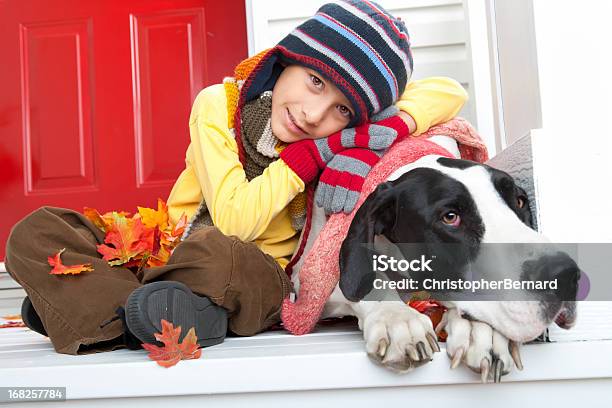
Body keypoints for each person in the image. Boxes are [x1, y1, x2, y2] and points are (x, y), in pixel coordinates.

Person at [5, 0, 468, 355]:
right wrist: (306, 158)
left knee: (221, 258)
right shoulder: (218, 107)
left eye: (341, 110)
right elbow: (231, 212)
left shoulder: (343, 139)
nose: (313, 114)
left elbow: (448, 91)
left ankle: (101, 310)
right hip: (167, 249)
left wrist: (380, 127)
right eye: (315, 82)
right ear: (287, 59)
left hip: (254, 273)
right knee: (36, 232)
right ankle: (165, 312)